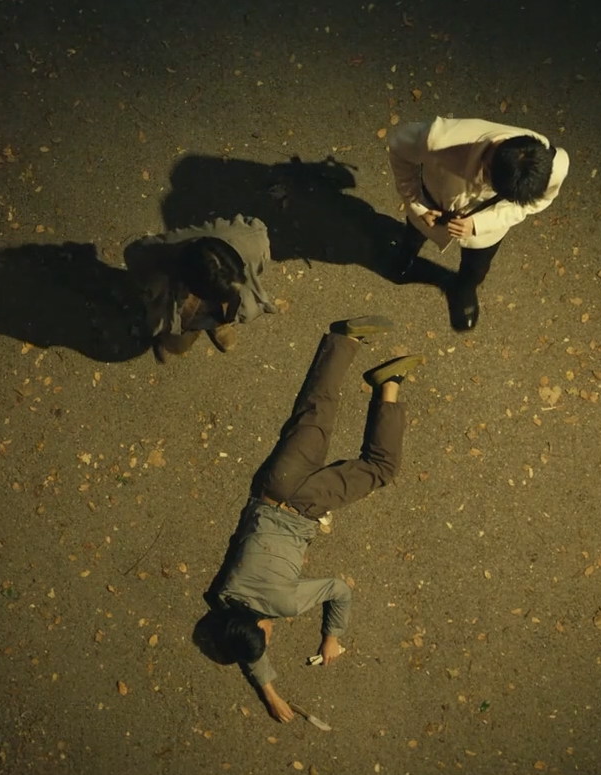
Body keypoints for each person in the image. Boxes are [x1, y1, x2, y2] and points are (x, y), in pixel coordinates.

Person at [206, 316, 423, 722]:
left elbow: (339, 590)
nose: (269, 640)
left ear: (263, 628)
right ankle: (344, 338)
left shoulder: (284, 604)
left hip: (306, 504)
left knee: (380, 468)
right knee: (314, 411)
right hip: (274, 483)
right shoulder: (223, 596)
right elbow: (243, 643)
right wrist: (271, 695)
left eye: (266, 638)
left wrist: (332, 637)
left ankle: (389, 384)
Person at [387, 116, 570, 331]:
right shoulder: (439, 140)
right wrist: (417, 204)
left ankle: (463, 290)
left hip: (488, 227)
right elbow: (398, 148)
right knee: (413, 235)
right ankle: (405, 257)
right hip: (431, 206)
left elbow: (536, 203)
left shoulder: (553, 167)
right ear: (491, 158)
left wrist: (479, 224)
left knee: (476, 268)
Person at [123, 215, 279, 362]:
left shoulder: (252, 239)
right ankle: (189, 328)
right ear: (195, 292)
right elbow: (134, 254)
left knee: (238, 309)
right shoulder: (152, 260)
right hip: (178, 291)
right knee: (178, 345)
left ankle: (218, 323)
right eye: (223, 299)